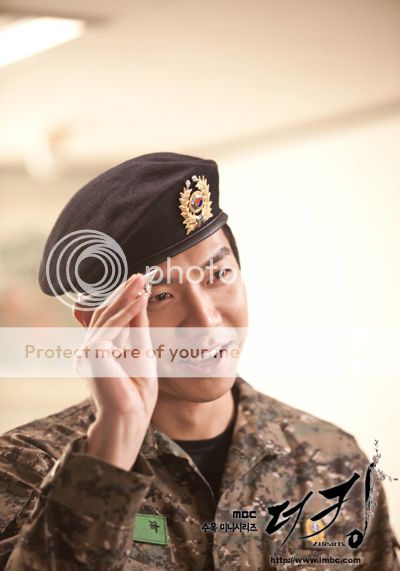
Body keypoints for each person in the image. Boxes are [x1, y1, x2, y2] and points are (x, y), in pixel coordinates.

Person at [0, 153, 398, 570]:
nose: (206, 320)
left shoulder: (333, 461)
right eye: (160, 296)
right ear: (96, 325)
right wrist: (112, 446)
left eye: (218, 275)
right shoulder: (24, 469)